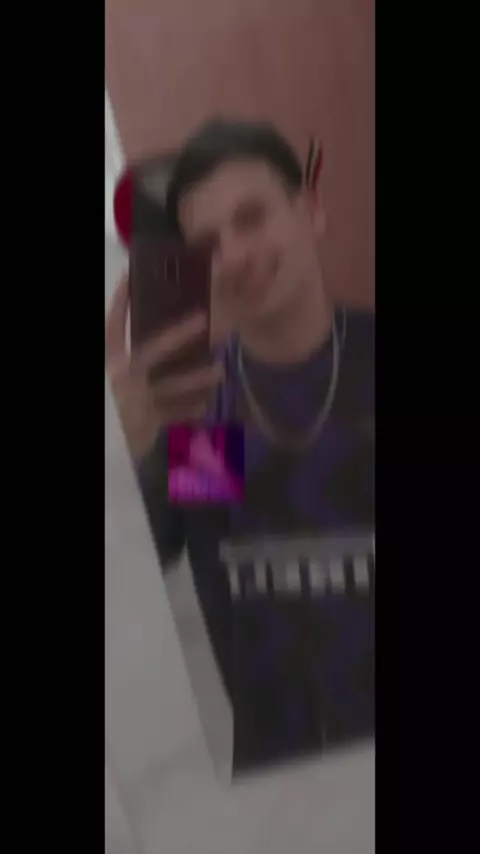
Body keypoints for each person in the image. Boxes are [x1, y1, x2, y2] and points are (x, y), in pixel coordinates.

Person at [106, 118, 375, 771]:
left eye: (252, 218)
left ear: (309, 210)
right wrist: (123, 455)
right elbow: (140, 578)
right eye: (206, 243)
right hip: (280, 776)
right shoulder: (206, 412)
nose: (232, 257)